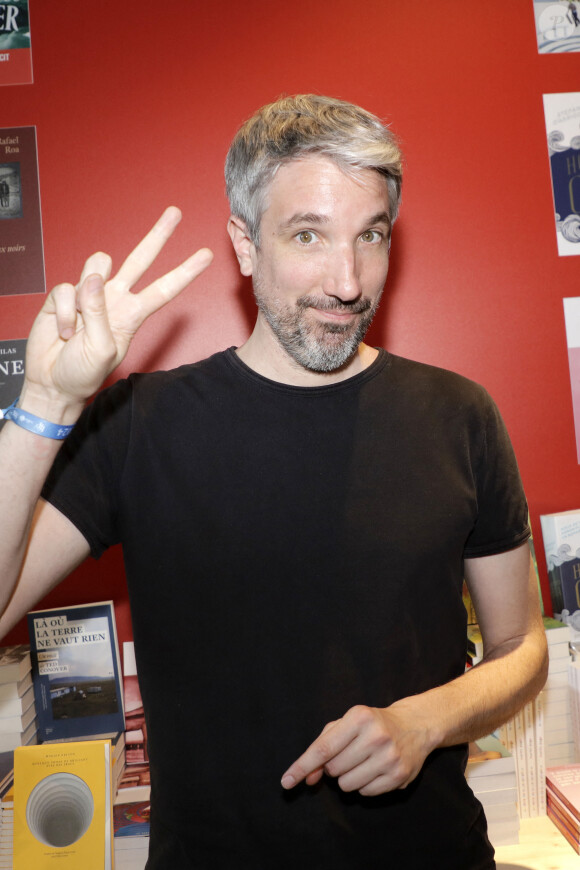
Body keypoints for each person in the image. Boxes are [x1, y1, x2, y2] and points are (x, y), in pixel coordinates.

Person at [0, 95, 547, 869]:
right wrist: (48, 403)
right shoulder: (140, 424)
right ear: (244, 243)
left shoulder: (460, 415)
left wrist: (428, 721)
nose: (348, 282)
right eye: (308, 236)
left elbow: (521, 646)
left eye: (372, 236)